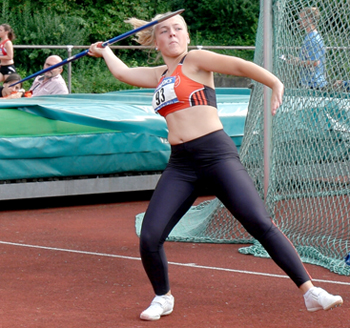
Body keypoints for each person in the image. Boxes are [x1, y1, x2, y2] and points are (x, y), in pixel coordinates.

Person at [88, 12, 343, 321]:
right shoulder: (158, 75)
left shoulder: (195, 60)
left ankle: (311, 292)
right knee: (150, 236)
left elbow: (239, 66)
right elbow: (124, 73)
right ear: (155, 42)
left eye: (178, 29)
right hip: (181, 164)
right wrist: (105, 52)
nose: (172, 34)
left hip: (216, 155)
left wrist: (275, 82)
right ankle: (162, 297)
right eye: (164, 31)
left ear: (187, 37)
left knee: (260, 223)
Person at [286, 7, 327, 90]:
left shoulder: (313, 38)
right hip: (310, 81)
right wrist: (295, 59)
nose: (299, 21)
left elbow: (315, 62)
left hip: (314, 84)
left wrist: (298, 62)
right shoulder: (310, 36)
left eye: (301, 19)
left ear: (309, 19)